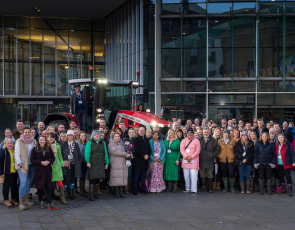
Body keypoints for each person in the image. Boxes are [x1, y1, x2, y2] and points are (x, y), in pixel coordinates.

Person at [31, 136, 59, 210]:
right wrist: (41, 162)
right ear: (38, 141)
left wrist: (48, 161)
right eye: (41, 140)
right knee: (40, 187)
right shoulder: (34, 149)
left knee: (49, 187)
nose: (42, 141)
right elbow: (32, 160)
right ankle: (41, 202)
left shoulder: (49, 148)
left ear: (45, 141)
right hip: (39, 171)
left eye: (43, 140)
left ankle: (50, 203)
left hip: (47, 170)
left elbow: (53, 158)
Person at [15, 127, 36, 210]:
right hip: (22, 166)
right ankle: (21, 202)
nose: (27, 133)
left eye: (28, 132)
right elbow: (17, 155)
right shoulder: (19, 141)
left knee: (28, 182)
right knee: (23, 182)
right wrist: (21, 167)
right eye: (26, 132)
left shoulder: (33, 141)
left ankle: (26, 200)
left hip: (31, 165)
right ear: (23, 133)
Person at [85, 130, 109, 200]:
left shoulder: (103, 143)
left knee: (98, 179)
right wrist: (88, 162)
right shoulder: (89, 143)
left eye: (98, 135)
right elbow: (87, 153)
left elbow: (106, 154)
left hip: (100, 163)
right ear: (93, 136)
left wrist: (107, 163)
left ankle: (95, 194)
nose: (97, 136)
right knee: (92, 179)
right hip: (92, 163)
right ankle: (91, 195)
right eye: (95, 135)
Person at [60, 130, 82, 199]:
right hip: (66, 165)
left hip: (74, 164)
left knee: (72, 179)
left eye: (71, 135)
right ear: (67, 136)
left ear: (73, 136)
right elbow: (60, 154)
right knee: (66, 180)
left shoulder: (76, 144)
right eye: (69, 135)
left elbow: (79, 154)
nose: (70, 136)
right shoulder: (63, 144)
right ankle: (63, 195)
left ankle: (70, 194)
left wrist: (78, 162)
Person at [180, 127, 201, 195]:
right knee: (186, 175)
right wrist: (187, 156)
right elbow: (182, 150)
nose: (189, 134)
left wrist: (191, 157)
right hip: (186, 160)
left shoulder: (196, 141)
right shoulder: (183, 141)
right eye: (188, 133)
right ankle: (187, 188)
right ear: (186, 133)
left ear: (193, 134)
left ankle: (194, 189)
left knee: (193, 175)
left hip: (194, 160)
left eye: (191, 133)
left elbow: (198, 150)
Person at [48, 133, 67, 204]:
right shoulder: (46, 145)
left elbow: (60, 156)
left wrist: (62, 166)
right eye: (50, 137)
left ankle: (63, 198)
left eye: (53, 138)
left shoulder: (58, 145)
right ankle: (49, 199)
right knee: (50, 183)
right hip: (49, 166)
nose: (51, 139)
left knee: (60, 182)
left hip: (57, 166)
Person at [199, 127, 219, 193]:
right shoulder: (199, 140)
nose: (206, 133)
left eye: (207, 132)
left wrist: (212, 155)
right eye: (205, 132)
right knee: (202, 174)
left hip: (210, 160)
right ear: (203, 132)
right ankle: (203, 187)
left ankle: (209, 188)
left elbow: (217, 150)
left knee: (210, 174)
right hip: (201, 160)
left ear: (209, 132)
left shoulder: (213, 140)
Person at [132, 127, 151, 195]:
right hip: (138, 160)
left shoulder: (146, 139)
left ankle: (143, 189)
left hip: (145, 161)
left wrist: (147, 155)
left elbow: (149, 149)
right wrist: (143, 155)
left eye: (143, 131)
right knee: (136, 176)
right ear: (138, 131)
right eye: (141, 131)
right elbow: (136, 149)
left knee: (143, 176)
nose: (142, 132)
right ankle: (135, 189)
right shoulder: (135, 139)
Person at [0, 138, 18, 206]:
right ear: (5, 144)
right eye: (8, 143)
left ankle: (13, 200)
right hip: (7, 172)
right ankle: (6, 200)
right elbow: (0, 162)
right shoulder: (3, 151)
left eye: (11, 143)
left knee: (14, 187)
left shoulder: (15, 151)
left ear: (13, 144)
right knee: (6, 187)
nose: (9, 144)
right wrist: (1, 173)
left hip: (15, 172)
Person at [217, 129, 236, 193]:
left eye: (227, 133)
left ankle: (231, 188)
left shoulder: (233, 140)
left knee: (231, 173)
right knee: (224, 174)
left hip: (231, 160)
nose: (226, 134)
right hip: (222, 160)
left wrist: (233, 155)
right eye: (225, 133)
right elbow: (217, 150)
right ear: (223, 134)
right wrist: (219, 156)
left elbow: (236, 149)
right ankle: (225, 188)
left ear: (229, 134)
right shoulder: (220, 141)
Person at [76, 131, 88, 197]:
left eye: (84, 136)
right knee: (81, 176)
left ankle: (83, 189)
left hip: (86, 162)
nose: (83, 137)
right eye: (81, 135)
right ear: (79, 136)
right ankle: (81, 191)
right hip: (79, 162)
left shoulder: (87, 143)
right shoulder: (77, 143)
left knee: (84, 176)